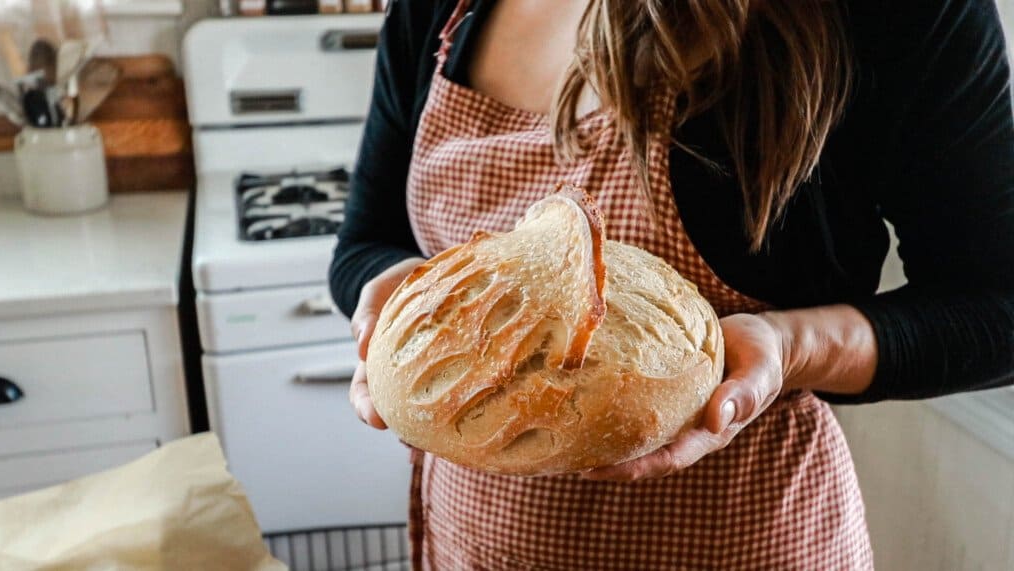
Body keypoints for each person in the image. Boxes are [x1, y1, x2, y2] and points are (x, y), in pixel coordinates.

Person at [329, 0, 1014, 568]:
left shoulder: (888, 13)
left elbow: (998, 306)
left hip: (740, 539)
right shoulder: (436, 10)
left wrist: (788, 347)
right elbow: (367, 240)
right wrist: (396, 297)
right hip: (478, 539)